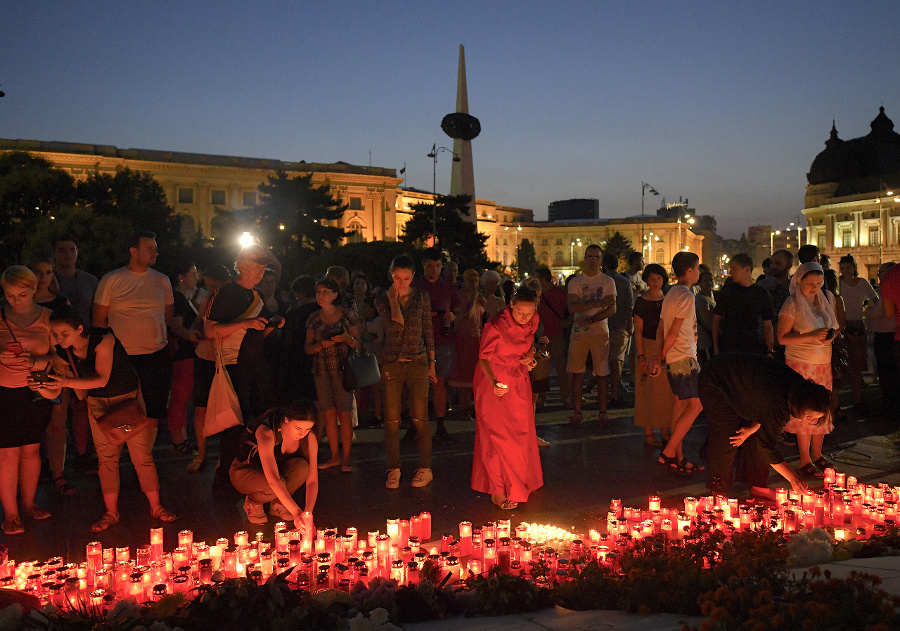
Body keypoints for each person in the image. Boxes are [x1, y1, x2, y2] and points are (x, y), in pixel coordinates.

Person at [46, 305, 177, 532]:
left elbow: (101, 379)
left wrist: (65, 382)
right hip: (98, 405)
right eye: (55, 334)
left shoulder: (103, 340)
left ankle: (156, 507)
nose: (59, 339)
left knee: (141, 455)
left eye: (64, 334)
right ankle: (111, 513)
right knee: (106, 460)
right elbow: (55, 384)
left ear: (79, 329)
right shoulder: (63, 352)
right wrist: (42, 384)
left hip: (126, 400)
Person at [701, 352, 833, 498]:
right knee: (729, 436)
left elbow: (765, 406)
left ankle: (758, 486)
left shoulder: (798, 389)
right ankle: (718, 490)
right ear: (803, 403)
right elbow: (767, 446)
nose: (809, 421)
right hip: (717, 379)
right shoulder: (782, 404)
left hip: (745, 387)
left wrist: (752, 428)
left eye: (814, 419)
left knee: (758, 433)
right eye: (809, 416)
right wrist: (793, 478)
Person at [206, 245, 283, 492]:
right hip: (235, 364)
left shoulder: (257, 296)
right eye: (256, 266)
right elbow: (210, 331)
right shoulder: (228, 292)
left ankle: (255, 470)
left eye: (263, 267)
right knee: (234, 425)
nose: (260, 271)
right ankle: (225, 475)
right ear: (241, 265)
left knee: (262, 418)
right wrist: (246, 322)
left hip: (255, 365)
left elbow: (255, 332)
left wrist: (270, 326)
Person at [471, 285, 542, 510]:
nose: (524, 317)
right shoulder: (496, 325)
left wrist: (530, 358)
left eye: (529, 313)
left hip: (518, 379)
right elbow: (483, 358)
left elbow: (532, 347)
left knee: (520, 434)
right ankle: (498, 488)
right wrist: (493, 382)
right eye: (520, 312)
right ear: (511, 304)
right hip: (494, 378)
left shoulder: (533, 320)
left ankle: (519, 482)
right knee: (496, 436)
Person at [94, 231, 174, 426]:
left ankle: (145, 453)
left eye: (156, 248)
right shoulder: (112, 280)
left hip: (155, 355)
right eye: (150, 249)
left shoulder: (162, 281)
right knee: (121, 409)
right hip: (122, 357)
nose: (155, 252)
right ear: (134, 251)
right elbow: (98, 321)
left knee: (153, 409)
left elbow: (167, 317)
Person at [0, 266, 55, 535]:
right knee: (8, 453)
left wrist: (35, 361)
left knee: (32, 450)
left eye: (21, 294)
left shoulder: (47, 318)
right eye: (9, 295)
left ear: (34, 289)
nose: (15, 300)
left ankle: (29, 503)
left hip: (35, 391)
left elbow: (59, 356)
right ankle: (11, 514)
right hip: (4, 392)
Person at [374, 254, 436, 489]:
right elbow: (395, 326)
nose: (401, 283)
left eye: (406, 278)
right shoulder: (382, 299)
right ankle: (394, 468)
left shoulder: (421, 297)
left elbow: (427, 329)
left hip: (418, 361)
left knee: (420, 416)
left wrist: (432, 362)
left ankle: (425, 467)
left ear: (412, 277)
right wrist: (392, 302)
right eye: (397, 278)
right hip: (392, 361)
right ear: (391, 275)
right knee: (391, 419)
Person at [777, 262, 838, 478]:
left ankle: (817, 452)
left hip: (823, 362)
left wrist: (830, 336)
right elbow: (782, 337)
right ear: (799, 281)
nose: (814, 288)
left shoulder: (825, 299)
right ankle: (804, 459)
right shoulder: (791, 304)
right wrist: (811, 336)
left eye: (818, 283)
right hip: (800, 364)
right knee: (805, 410)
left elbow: (835, 327)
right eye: (809, 283)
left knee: (822, 407)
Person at [230, 400, 319, 533]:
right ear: (287, 420)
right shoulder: (267, 431)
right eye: (298, 428)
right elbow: (273, 479)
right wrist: (296, 512)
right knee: (277, 483)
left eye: (307, 429)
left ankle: (278, 503)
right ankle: (253, 502)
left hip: (276, 476)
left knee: (303, 468)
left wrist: (307, 515)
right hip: (245, 471)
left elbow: (312, 480)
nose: (302, 434)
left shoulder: (309, 438)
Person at [27, 255, 75, 496]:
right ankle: (27, 478)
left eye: (47, 272)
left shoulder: (60, 304)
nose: (43, 277)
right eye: (38, 272)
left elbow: (67, 343)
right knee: (29, 424)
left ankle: (58, 473)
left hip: (56, 369)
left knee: (57, 424)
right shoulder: (15, 306)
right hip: (26, 370)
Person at [305, 277, 362, 472]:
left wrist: (347, 338)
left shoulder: (347, 315)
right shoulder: (313, 318)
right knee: (328, 413)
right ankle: (334, 456)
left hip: (342, 370)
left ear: (335, 294)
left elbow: (359, 343)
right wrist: (320, 345)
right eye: (318, 292)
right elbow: (307, 348)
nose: (320, 296)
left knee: (344, 414)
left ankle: (346, 457)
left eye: (325, 292)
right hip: (321, 370)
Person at [656, 251, 704, 475]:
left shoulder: (670, 294)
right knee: (697, 404)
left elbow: (662, 328)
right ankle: (669, 452)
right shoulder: (686, 296)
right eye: (697, 268)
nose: (699, 272)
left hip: (676, 357)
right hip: (684, 356)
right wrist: (663, 355)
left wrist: (661, 355)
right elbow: (673, 331)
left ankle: (678, 456)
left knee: (681, 405)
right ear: (689, 271)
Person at [53, 235, 98, 476]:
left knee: (83, 402)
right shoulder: (49, 282)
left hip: (84, 345)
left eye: (71, 249)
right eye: (62, 250)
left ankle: (83, 453)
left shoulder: (90, 281)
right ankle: (54, 462)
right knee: (56, 404)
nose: (67, 254)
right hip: (58, 346)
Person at [187, 265, 232, 473]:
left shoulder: (232, 299)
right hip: (205, 356)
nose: (211, 289)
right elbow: (199, 321)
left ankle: (225, 455)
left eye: (213, 285)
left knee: (225, 408)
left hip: (223, 358)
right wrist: (195, 331)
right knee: (201, 406)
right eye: (208, 286)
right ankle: (202, 452)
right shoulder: (208, 297)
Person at [412, 248, 460, 442]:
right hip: (419, 341)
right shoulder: (415, 286)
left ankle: (440, 423)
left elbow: (458, 310)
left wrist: (452, 316)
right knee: (418, 385)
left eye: (438, 266)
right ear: (423, 266)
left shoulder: (448, 287)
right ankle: (416, 424)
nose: (434, 270)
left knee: (439, 382)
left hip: (442, 340)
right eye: (430, 266)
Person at [567, 244, 617, 426]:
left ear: (601, 260)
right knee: (577, 372)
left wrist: (591, 318)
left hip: (599, 331)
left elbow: (612, 308)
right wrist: (598, 302)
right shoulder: (575, 282)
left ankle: (602, 411)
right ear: (585, 258)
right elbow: (572, 307)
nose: (593, 260)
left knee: (602, 372)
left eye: (597, 257)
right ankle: (577, 411)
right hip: (580, 332)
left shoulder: (607, 282)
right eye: (590, 256)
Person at [632, 263, 676, 447]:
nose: (656, 281)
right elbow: (639, 330)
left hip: (665, 348)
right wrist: (641, 355)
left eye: (659, 278)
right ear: (647, 280)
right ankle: (648, 430)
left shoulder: (668, 300)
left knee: (666, 392)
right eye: (652, 278)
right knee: (648, 390)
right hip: (649, 347)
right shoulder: (642, 301)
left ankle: (665, 429)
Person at [168, 261, 203, 454]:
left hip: (186, 353)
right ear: (181, 277)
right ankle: (177, 438)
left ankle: (182, 437)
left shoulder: (181, 298)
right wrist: (192, 336)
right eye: (193, 274)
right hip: (183, 354)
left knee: (182, 397)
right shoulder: (178, 299)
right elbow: (176, 326)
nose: (196, 278)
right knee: (180, 397)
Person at [712, 253, 775, 357]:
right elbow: (716, 319)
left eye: (734, 269)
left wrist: (770, 349)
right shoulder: (728, 290)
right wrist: (716, 347)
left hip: (752, 347)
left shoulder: (761, 293)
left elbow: (768, 325)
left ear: (746, 269)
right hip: (729, 346)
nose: (730, 272)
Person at [838, 254, 878, 413]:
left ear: (854, 268)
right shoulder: (838, 284)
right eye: (842, 268)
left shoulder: (862, 283)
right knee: (840, 366)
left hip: (856, 326)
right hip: (842, 326)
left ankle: (857, 400)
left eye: (848, 268)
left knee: (856, 365)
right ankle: (838, 403)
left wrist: (869, 315)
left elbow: (875, 300)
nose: (845, 271)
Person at [450, 268, 486, 421]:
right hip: (464, 339)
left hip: (476, 339)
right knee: (463, 374)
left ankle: (473, 406)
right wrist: (473, 301)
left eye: (476, 280)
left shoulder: (479, 298)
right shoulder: (461, 297)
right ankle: (464, 407)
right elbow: (464, 317)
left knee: (475, 374)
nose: (474, 283)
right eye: (471, 280)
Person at [534, 267, 571, 408]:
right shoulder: (537, 295)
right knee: (541, 369)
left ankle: (565, 396)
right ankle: (541, 397)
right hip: (541, 337)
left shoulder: (560, 294)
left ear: (543, 279)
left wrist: (566, 322)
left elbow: (572, 311)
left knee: (560, 367)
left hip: (555, 335)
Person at [602, 254, 634, 407]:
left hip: (601, 326)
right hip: (620, 326)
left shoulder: (600, 281)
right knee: (617, 363)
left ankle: (602, 394)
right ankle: (614, 394)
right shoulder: (624, 282)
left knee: (601, 363)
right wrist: (629, 326)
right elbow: (629, 307)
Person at [868, 263, 898, 423]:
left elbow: (881, 312)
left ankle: (889, 409)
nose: (880, 275)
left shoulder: (887, 286)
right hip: (888, 334)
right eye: (879, 272)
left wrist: (869, 311)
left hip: (888, 335)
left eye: (882, 272)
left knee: (887, 374)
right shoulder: (881, 289)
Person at [695, 270, 716, 364]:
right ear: (700, 284)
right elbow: (707, 321)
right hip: (705, 341)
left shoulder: (711, 297)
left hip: (710, 341)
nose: (709, 283)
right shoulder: (700, 299)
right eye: (705, 281)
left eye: (711, 280)